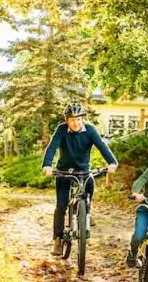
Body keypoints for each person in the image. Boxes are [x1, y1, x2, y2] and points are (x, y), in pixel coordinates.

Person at [41, 103, 118, 255]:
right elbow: (52, 147)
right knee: (61, 205)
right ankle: (57, 239)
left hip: (83, 171)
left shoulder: (90, 130)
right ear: (67, 120)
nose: (76, 123)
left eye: (78, 119)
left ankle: (85, 212)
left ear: (83, 118)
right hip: (64, 171)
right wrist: (47, 165)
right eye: (72, 120)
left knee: (89, 184)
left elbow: (102, 146)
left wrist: (112, 162)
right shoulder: (61, 130)